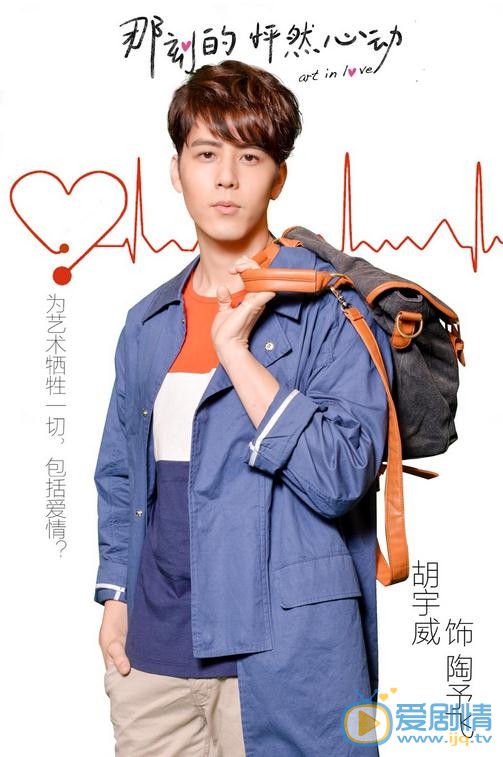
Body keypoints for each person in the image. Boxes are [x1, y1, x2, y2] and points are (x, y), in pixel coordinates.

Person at [94, 58, 393, 756]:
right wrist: (115, 596)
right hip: (152, 660)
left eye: (250, 156)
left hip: (288, 659)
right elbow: (120, 474)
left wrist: (235, 349)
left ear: (278, 176)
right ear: (177, 171)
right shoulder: (148, 322)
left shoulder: (330, 310)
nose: (225, 177)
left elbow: (342, 476)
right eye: (206, 154)